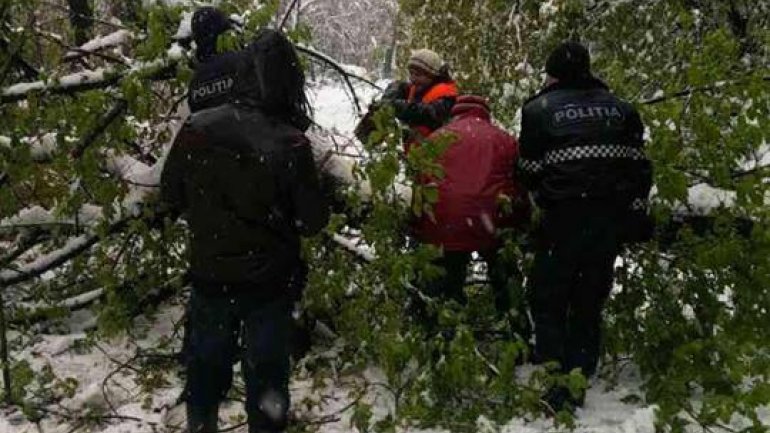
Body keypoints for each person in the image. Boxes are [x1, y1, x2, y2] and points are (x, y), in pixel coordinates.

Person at [161, 22, 329, 433]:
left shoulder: (198, 128)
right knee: (268, 378)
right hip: (267, 286)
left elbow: (171, 196)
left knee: (205, 371)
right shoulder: (291, 143)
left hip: (210, 276)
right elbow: (312, 221)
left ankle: (201, 425)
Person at [516, 41, 653, 411]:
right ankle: (581, 369)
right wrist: (634, 212)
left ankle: (557, 377)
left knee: (548, 296)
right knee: (589, 297)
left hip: (562, 217)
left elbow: (528, 170)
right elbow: (640, 167)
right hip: (609, 218)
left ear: (553, 74)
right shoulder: (623, 109)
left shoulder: (538, 109)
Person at [410, 95, 531, 340]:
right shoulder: (504, 139)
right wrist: (520, 224)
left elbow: (420, 187)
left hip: (446, 221)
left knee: (444, 275)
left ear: (455, 113)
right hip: (493, 220)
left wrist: (419, 228)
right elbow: (519, 186)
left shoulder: (436, 139)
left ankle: (437, 331)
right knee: (504, 273)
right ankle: (516, 327)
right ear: (485, 113)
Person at [355, 48, 458, 151]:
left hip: (437, 158)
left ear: (432, 76)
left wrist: (394, 106)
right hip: (416, 156)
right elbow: (398, 86)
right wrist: (385, 103)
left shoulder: (447, 97)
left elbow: (427, 113)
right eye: (411, 74)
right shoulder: (419, 88)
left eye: (418, 75)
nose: (413, 79)